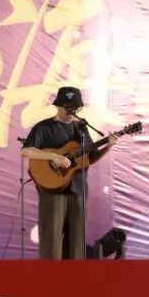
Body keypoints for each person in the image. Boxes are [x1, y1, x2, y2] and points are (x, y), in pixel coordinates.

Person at [20, 86, 116, 260]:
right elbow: (26, 151)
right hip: (52, 190)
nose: (72, 112)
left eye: (76, 108)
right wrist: (53, 156)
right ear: (58, 106)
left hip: (78, 190)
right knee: (51, 242)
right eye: (68, 107)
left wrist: (107, 147)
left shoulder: (81, 129)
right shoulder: (44, 127)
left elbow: (89, 159)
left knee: (76, 245)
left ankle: (74, 276)